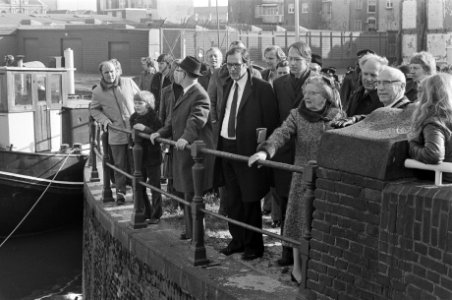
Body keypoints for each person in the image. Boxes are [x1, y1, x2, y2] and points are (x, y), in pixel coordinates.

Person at [248, 75, 345, 284]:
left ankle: (318, 266)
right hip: (301, 178)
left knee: (319, 224)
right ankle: (298, 269)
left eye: (313, 93)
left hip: (325, 180)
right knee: (296, 222)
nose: (307, 97)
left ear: (325, 96)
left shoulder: (337, 116)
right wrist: (265, 151)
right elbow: (281, 134)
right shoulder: (296, 115)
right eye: (305, 93)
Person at [216, 46, 279, 261]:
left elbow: (270, 122)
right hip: (227, 147)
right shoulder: (227, 84)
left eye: (237, 64)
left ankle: (254, 245)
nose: (232, 69)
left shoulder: (261, 88)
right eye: (229, 64)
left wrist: (263, 151)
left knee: (250, 198)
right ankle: (237, 240)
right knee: (232, 198)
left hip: (249, 150)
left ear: (247, 64)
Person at [150, 56, 215, 240]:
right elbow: (173, 121)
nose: (174, 73)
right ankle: (191, 231)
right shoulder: (185, 92)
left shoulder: (199, 94)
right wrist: (160, 133)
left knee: (194, 194)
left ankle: (197, 236)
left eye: (177, 70)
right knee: (187, 193)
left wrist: (185, 137)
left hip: (193, 153)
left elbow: (196, 119)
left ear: (185, 74)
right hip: (184, 152)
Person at [272, 40, 312, 266]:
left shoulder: (317, 83)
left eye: (298, 59)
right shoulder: (279, 84)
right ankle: (286, 251)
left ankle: (305, 254)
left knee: (305, 203)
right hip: (285, 150)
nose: (293, 63)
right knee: (286, 199)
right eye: (291, 58)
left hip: (307, 151)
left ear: (307, 60)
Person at [90, 60, 140, 204]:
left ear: (116, 71)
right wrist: (105, 121)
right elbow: (94, 109)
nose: (110, 74)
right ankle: (120, 193)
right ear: (102, 74)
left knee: (135, 163)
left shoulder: (128, 82)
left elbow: (141, 99)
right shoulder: (98, 91)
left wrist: (140, 119)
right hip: (115, 133)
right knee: (119, 164)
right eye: (106, 72)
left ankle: (137, 192)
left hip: (133, 132)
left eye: (112, 71)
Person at [333, 66, 411, 128]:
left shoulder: (411, 112)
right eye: (378, 83)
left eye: (386, 83)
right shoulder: (382, 111)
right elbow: (377, 117)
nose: (380, 88)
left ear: (402, 86)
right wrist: (355, 119)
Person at [408, 73, 452, 182]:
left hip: (443, 181)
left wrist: (412, 146)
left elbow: (433, 154)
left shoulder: (435, 122)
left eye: (421, 91)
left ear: (428, 94)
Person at [129, 91, 163, 223]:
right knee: (139, 184)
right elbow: (132, 135)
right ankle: (145, 211)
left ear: (148, 105)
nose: (137, 106)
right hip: (139, 157)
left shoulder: (154, 118)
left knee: (155, 185)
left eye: (140, 103)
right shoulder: (133, 118)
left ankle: (156, 214)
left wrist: (145, 129)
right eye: (135, 103)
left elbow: (158, 133)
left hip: (152, 156)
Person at [345, 53, 388, 117]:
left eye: (373, 75)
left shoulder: (386, 100)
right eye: (365, 74)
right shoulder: (356, 95)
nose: (368, 79)